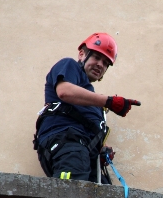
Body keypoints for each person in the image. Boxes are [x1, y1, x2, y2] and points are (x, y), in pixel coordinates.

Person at [33, 33, 140, 183]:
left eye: (105, 63)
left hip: (83, 153)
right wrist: (108, 101)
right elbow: (64, 92)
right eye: (96, 57)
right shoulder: (69, 65)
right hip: (66, 143)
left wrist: (101, 150)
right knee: (72, 191)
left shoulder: (90, 98)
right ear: (82, 54)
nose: (100, 65)